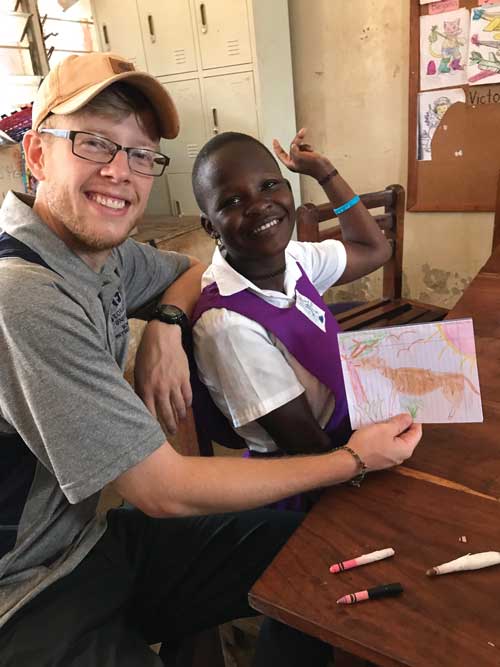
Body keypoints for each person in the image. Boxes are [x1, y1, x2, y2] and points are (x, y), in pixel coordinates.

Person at [0, 52, 422, 667]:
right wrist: (355, 460)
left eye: (141, 154)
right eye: (93, 144)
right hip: (23, 589)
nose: (121, 172)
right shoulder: (24, 295)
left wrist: (165, 327)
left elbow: (198, 270)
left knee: (319, 556)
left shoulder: (105, 256)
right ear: (37, 154)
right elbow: (161, 490)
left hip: (87, 542)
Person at [192, 130, 391, 459]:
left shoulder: (293, 259)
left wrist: (324, 173)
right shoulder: (228, 326)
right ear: (211, 226)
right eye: (232, 201)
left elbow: (374, 249)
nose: (259, 205)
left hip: (355, 428)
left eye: (269, 185)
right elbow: (311, 450)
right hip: (320, 477)